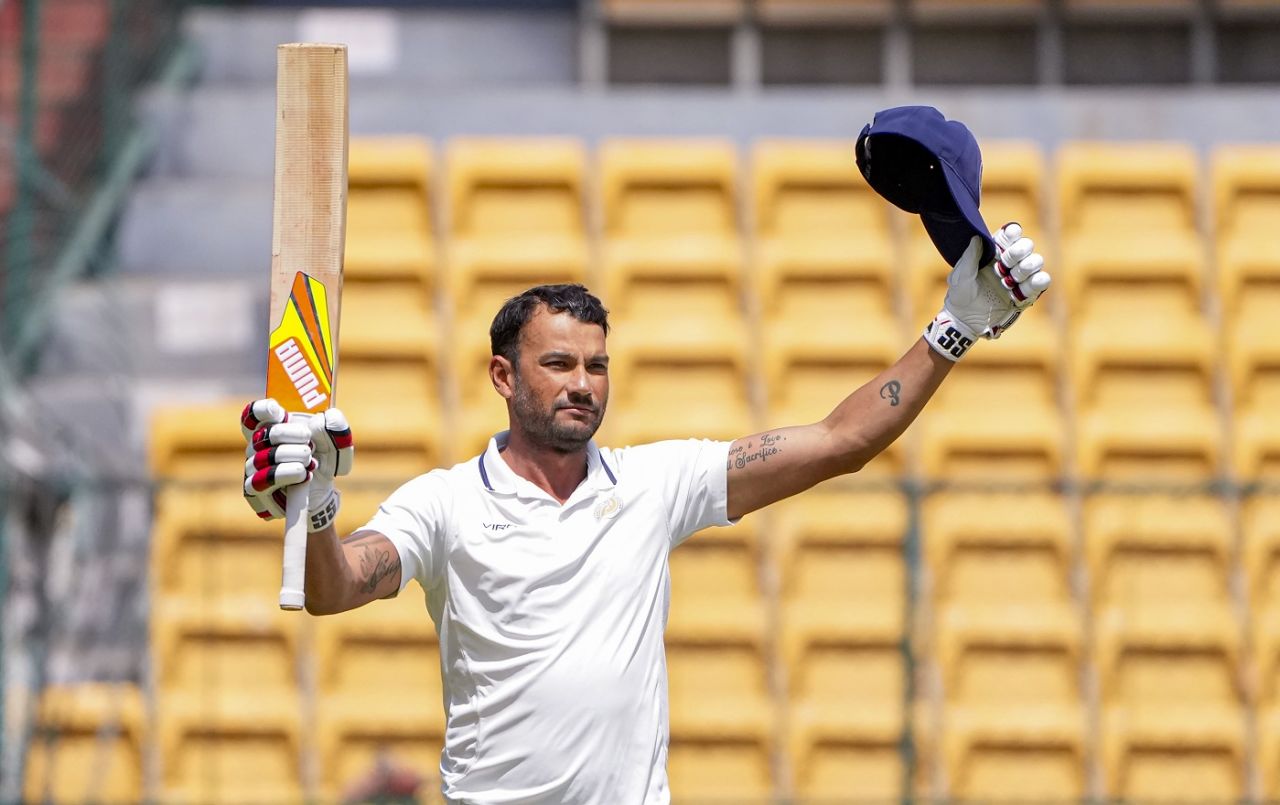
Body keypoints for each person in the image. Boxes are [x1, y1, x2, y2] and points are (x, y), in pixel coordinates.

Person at [239, 115, 1050, 805]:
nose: (583, 385)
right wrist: (311, 507)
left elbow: (843, 441)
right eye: (558, 364)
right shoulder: (445, 502)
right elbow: (333, 588)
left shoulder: (655, 483)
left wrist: (955, 327)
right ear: (503, 376)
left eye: (596, 365)